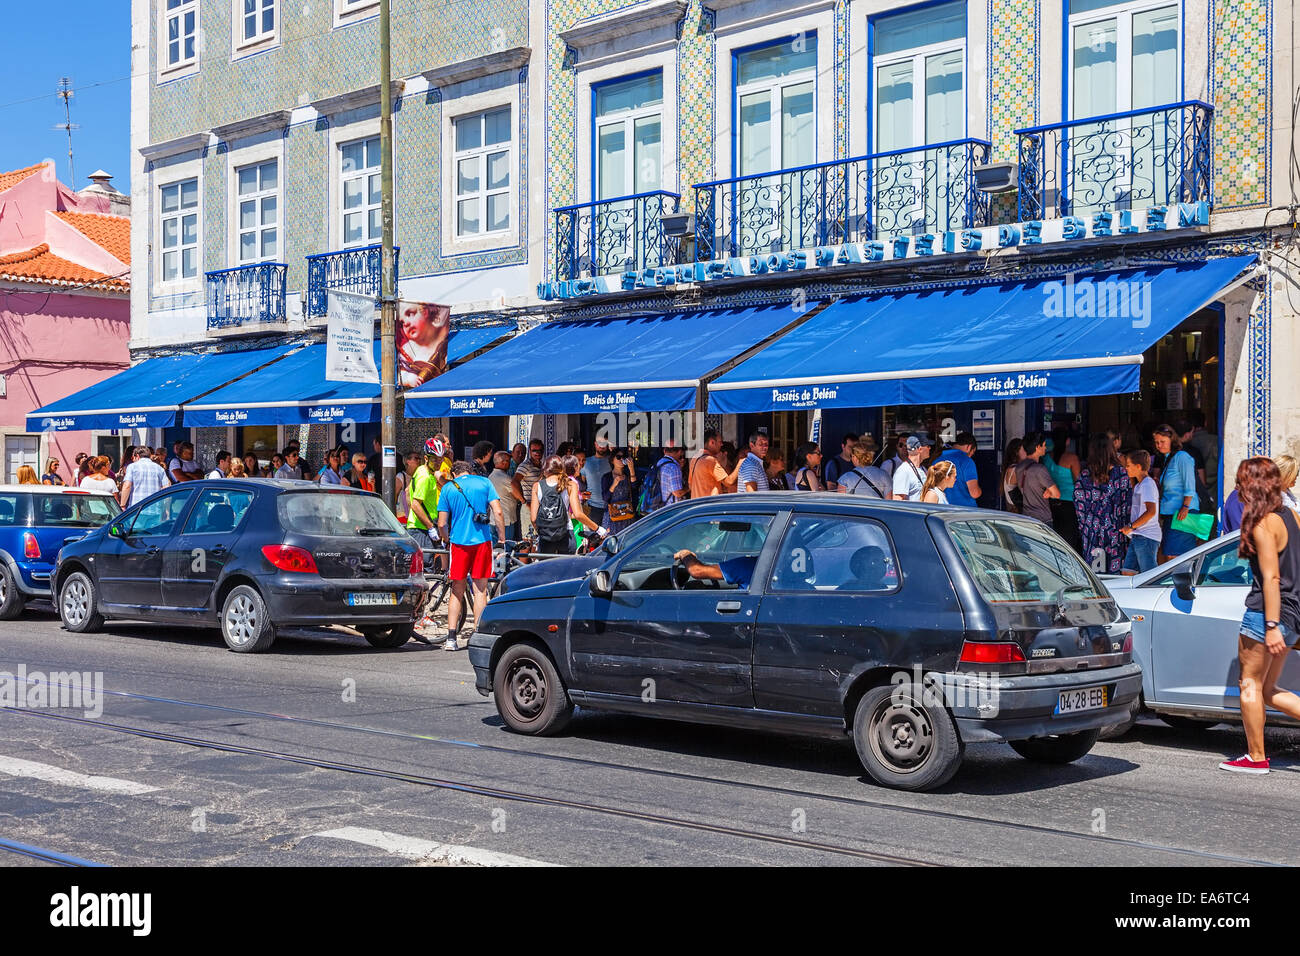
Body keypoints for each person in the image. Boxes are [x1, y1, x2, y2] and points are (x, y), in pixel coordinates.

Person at [1219, 457, 1300, 774]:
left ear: (1254, 485)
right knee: (1268, 690)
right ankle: (1255, 755)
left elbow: (1271, 578)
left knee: (1249, 683)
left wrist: (1270, 626)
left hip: (1267, 614)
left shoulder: (1265, 523)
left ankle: (1255, 757)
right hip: (1292, 612)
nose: (1238, 489)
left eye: (1241, 482)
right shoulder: (1291, 516)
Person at [436, 460, 506, 652]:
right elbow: (498, 511)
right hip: (482, 542)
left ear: (454, 473)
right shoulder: (485, 483)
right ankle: (478, 635)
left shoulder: (448, 488)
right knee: (480, 590)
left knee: (456, 590)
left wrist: (446, 539)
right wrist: (501, 537)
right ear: (470, 470)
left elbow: (442, 523)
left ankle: (451, 638)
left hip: (458, 543)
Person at [1074, 433, 1132, 574]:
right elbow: (1127, 504)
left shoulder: (1085, 475)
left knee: (1096, 575)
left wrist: (1086, 527)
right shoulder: (1120, 473)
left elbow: (1079, 504)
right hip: (1115, 532)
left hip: (1092, 532)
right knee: (1115, 574)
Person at [532, 455, 601, 555]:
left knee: (546, 569)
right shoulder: (570, 484)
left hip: (545, 537)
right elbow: (578, 514)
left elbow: (534, 519)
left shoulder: (537, 486)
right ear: (562, 469)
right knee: (567, 568)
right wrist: (597, 528)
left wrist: (542, 531)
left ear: (545, 469)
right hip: (566, 534)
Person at [1152, 424, 1198, 561]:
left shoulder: (1182, 457)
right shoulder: (1167, 459)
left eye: (1162, 442)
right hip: (1171, 514)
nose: (1159, 445)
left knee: (1176, 556)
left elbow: (1190, 483)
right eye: (1156, 442)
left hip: (1183, 514)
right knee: (1169, 553)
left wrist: (1185, 506)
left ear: (1172, 440)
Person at [1120, 449, 1161, 574]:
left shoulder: (1147, 484)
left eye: (1128, 466)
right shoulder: (1139, 485)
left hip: (1147, 536)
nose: (1126, 469)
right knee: (1127, 572)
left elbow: (1151, 512)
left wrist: (1131, 526)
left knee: (1149, 575)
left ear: (1138, 466)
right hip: (1138, 535)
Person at [1044, 428, 1082, 552]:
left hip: (1052, 502)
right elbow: (1078, 481)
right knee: (1070, 540)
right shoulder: (1072, 458)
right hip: (1070, 503)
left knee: (1055, 537)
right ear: (1067, 441)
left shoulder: (1046, 458)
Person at [1013, 431, 1060, 525]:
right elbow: (1057, 494)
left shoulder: (1019, 468)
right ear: (1038, 447)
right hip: (1042, 519)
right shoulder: (1040, 469)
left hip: (1026, 517)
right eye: (1044, 445)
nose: (1045, 447)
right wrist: (1050, 492)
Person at [688, 429, 738, 499]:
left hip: (698, 505)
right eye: (720, 442)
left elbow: (690, 485)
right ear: (712, 442)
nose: (721, 444)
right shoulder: (710, 460)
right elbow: (728, 482)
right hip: (710, 505)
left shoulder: (695, 458)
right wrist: (740, 463)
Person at [935, 433, 981, 508]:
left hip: (942, 510)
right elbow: (975, 493)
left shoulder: (937, 461)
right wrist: (980, 491)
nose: (971, 455)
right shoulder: (967, 461)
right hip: (965, 511)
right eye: (972, 452)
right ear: (969, 447)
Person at [672, 549, 758, 589]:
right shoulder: (769, 566)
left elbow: (696, 571)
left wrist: (685, 554)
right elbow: (706, 571)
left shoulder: (749, 564)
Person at [601, 448, 638, 533]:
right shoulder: (607, 477)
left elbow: (634, 489)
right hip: (612, 517)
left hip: (627, 516)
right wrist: (614, 484)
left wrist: (632, 470)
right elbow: (605, 498)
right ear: (612, 460)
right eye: (618, 457)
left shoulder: (628, 475)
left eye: (623, 457)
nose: (621, 459)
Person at [488, 451, 522, 542]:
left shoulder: (490, 476)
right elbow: (516, 493)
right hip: (506, 520)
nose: (509, 464)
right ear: (504, 462)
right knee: (506, 547)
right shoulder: (505, 478)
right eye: (509, 461)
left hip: (493, 519)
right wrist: (524, 501)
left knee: (495, 549)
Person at [582, 439, 613, 524]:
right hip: (592, 506)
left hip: (610, 506)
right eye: (599, 443)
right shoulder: (586, 462)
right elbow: (582, 483)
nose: (602, 446)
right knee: (594, 535)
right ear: (595, 444)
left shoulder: (612, 461)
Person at [891, 435, 931, 501]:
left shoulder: (923, 469)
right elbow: (898, 501)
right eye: (928, 446)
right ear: (920, 449)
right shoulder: (903, 471)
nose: (930, 448)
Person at [1001, 438, 1026, 512]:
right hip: (1017, 510)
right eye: (1024, 449)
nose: (1026, 452)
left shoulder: (1011, 467)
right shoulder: (1015, 469)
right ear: (1016, 452)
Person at [395, 451, 420, 524]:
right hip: (403, 516)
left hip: (415, 516)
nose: (418, 460)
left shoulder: (418, 477)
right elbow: (394, 497)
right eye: (416, 458)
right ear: (407, 461)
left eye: (419, 458)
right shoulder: (401, 476)